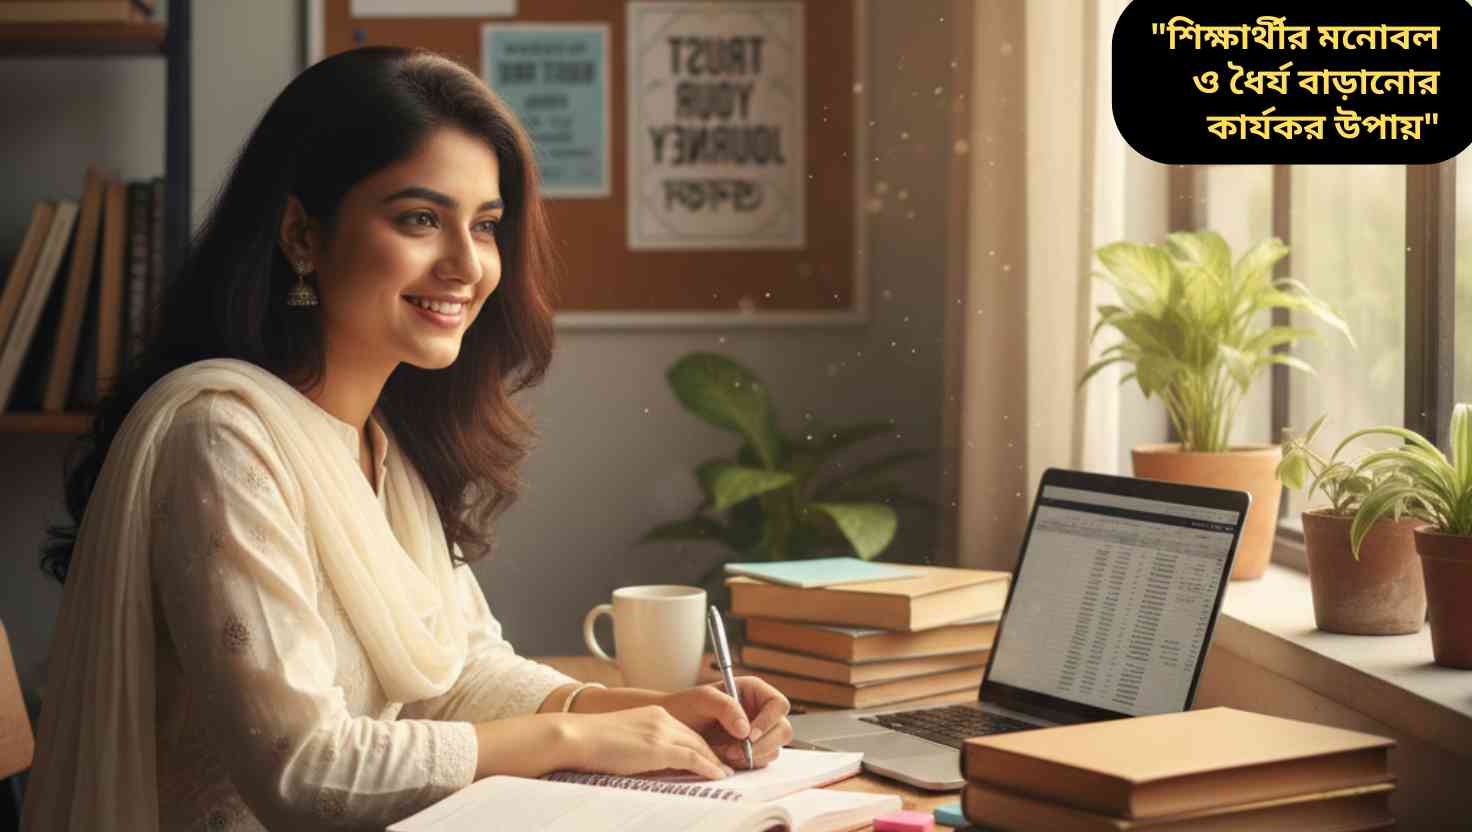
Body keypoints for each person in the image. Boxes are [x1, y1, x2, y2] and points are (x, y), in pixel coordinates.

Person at [22, 46, 791, 831]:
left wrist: (643, 708)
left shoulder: (381, 443)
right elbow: (303, 768)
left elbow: (458, 677)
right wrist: (577, 737)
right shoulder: (220, 438)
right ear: (302, 235)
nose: (466, 264)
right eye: (421, 219)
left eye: (484, 226)